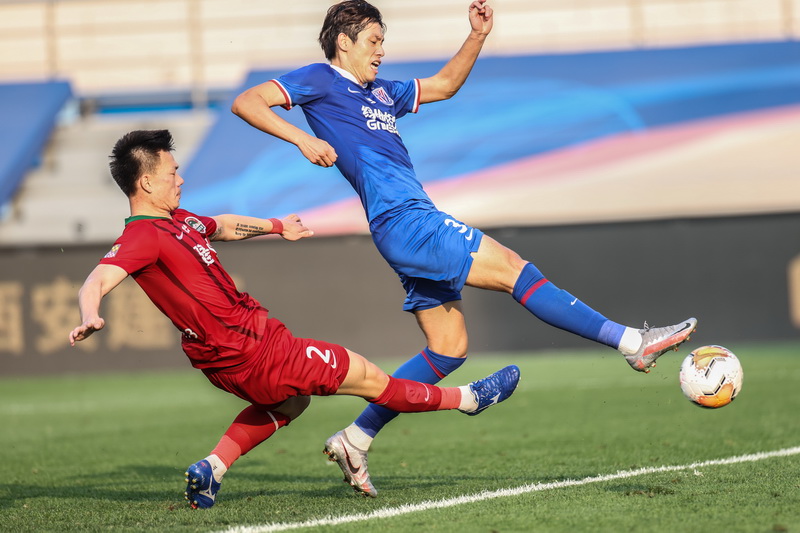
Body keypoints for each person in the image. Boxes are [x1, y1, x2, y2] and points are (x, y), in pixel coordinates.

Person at [230, 0, 697, 498]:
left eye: (383, 41)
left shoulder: (381, 91)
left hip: (406, 223)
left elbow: (445, 85)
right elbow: (248, 102)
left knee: (448, 348)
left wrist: (476, 35)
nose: (381, 52)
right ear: (343, 42)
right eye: (374, 41)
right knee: (515, 269)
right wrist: (301, 140)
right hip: (408, 222)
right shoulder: (319, 79)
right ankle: (632, 343)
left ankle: (356, 438)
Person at [68, 129, 521, 509]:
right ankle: (467, 399)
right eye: (172, 173)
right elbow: (98, 278)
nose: (180, 179)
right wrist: (90, 314)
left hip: (224, 362)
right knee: (369, 377)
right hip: (255, 350)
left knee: (291, 404)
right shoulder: (142, 236)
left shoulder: (180, 221)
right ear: (146, 182)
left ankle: (213, 468)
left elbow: (221, 225)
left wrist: (276, 226)